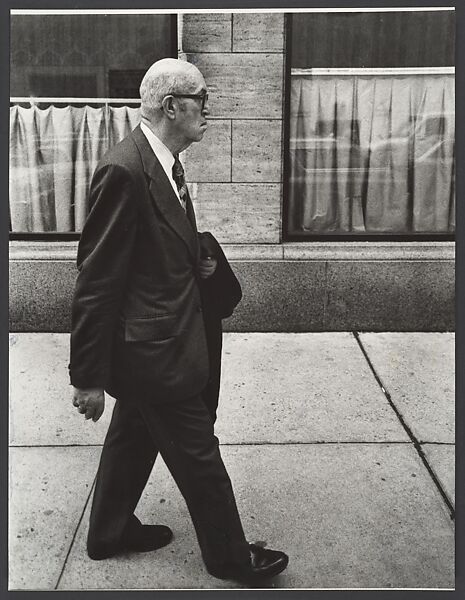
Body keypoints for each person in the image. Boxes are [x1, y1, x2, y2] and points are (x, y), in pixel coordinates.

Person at [69, 58, 288, 582]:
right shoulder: (125, 170)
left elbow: (148, 251)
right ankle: (232, 559)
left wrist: (196, 261)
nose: (208, 109)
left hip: (165, 340)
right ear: (172, 106)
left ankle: (107, 531)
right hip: (156, 353)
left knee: (133, 438)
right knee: (200, 458)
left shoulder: (165, 162)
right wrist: (88, 378)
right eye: (202, 99)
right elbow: (96, 282)